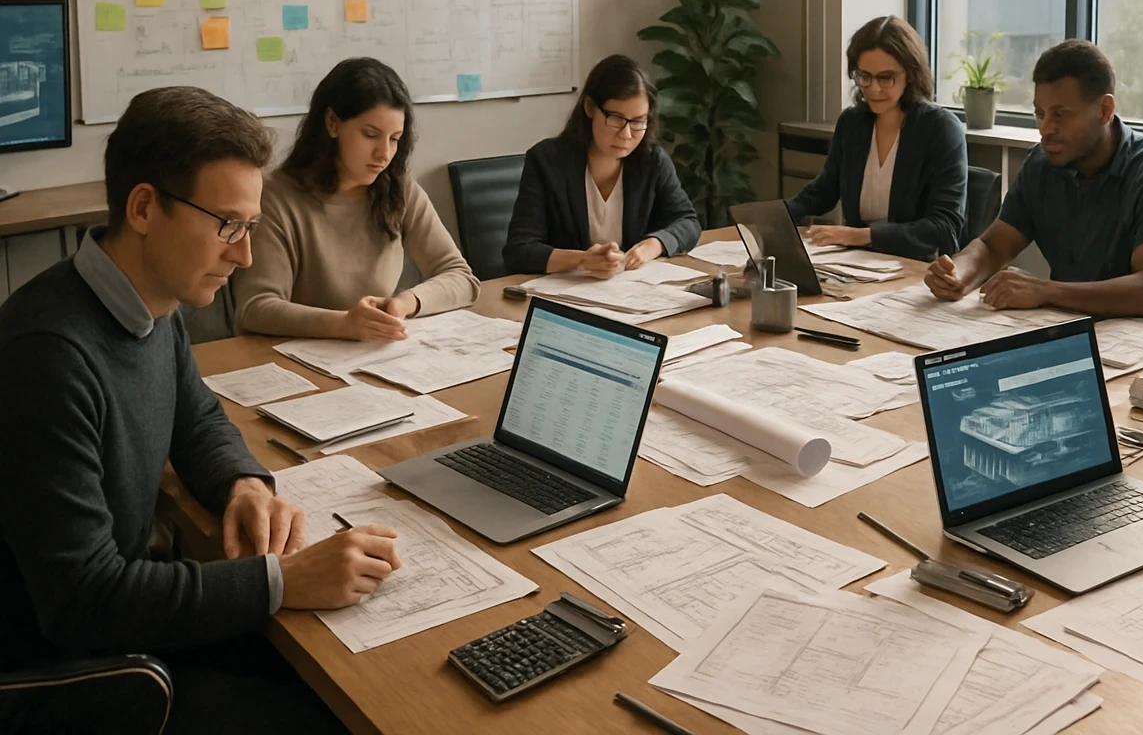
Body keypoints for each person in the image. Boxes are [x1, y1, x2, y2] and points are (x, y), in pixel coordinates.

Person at [0, 86, 402, 734]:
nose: (242, 255)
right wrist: (283, 579)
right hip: (76, 674)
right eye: (227, 225)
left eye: (249, 227)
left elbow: (197, 418)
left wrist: (240, 483)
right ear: (143, 208)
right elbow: (83, 602)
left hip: (128, 618)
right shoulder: (47, 355)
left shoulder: (152, 302)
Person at [925, 39, 1143, 323]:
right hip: (1070, 326)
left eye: (1060, 115)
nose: (1045, 128)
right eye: (1039, 113)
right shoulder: (1042, 163)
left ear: (1104, 110)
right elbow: (994, 247)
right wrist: (958, 273)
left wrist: (1044, 291)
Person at [234, 58, 480, 340]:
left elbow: (461, 277)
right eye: (371, 135)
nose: (384, 154)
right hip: (296, 362)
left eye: (395, 139)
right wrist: (344, 324)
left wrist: (405, 303)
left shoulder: (398, 186)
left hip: (370, 357)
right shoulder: (276, 197)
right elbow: (256, 307)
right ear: (332, 123)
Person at [784, 15, 967, 260]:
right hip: (857, 263)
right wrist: (774, 218)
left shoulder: (940, 129)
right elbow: (824, 190)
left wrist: (860, 236)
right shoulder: (852, 123)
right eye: (864, 76)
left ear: (911, 74)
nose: (873, 89)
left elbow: (944, 228)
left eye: (885, 78)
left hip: (916, 268)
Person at [503, 54, 700, 276]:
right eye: (615, 118)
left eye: (637, 121)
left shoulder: (652, 161)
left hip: (632, 293)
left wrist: (653, 245)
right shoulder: (547, 161)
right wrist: (582, 260)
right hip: (566, 295)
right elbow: (519, 251)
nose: (626, 134)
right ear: (590, 107)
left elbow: (688, 222)